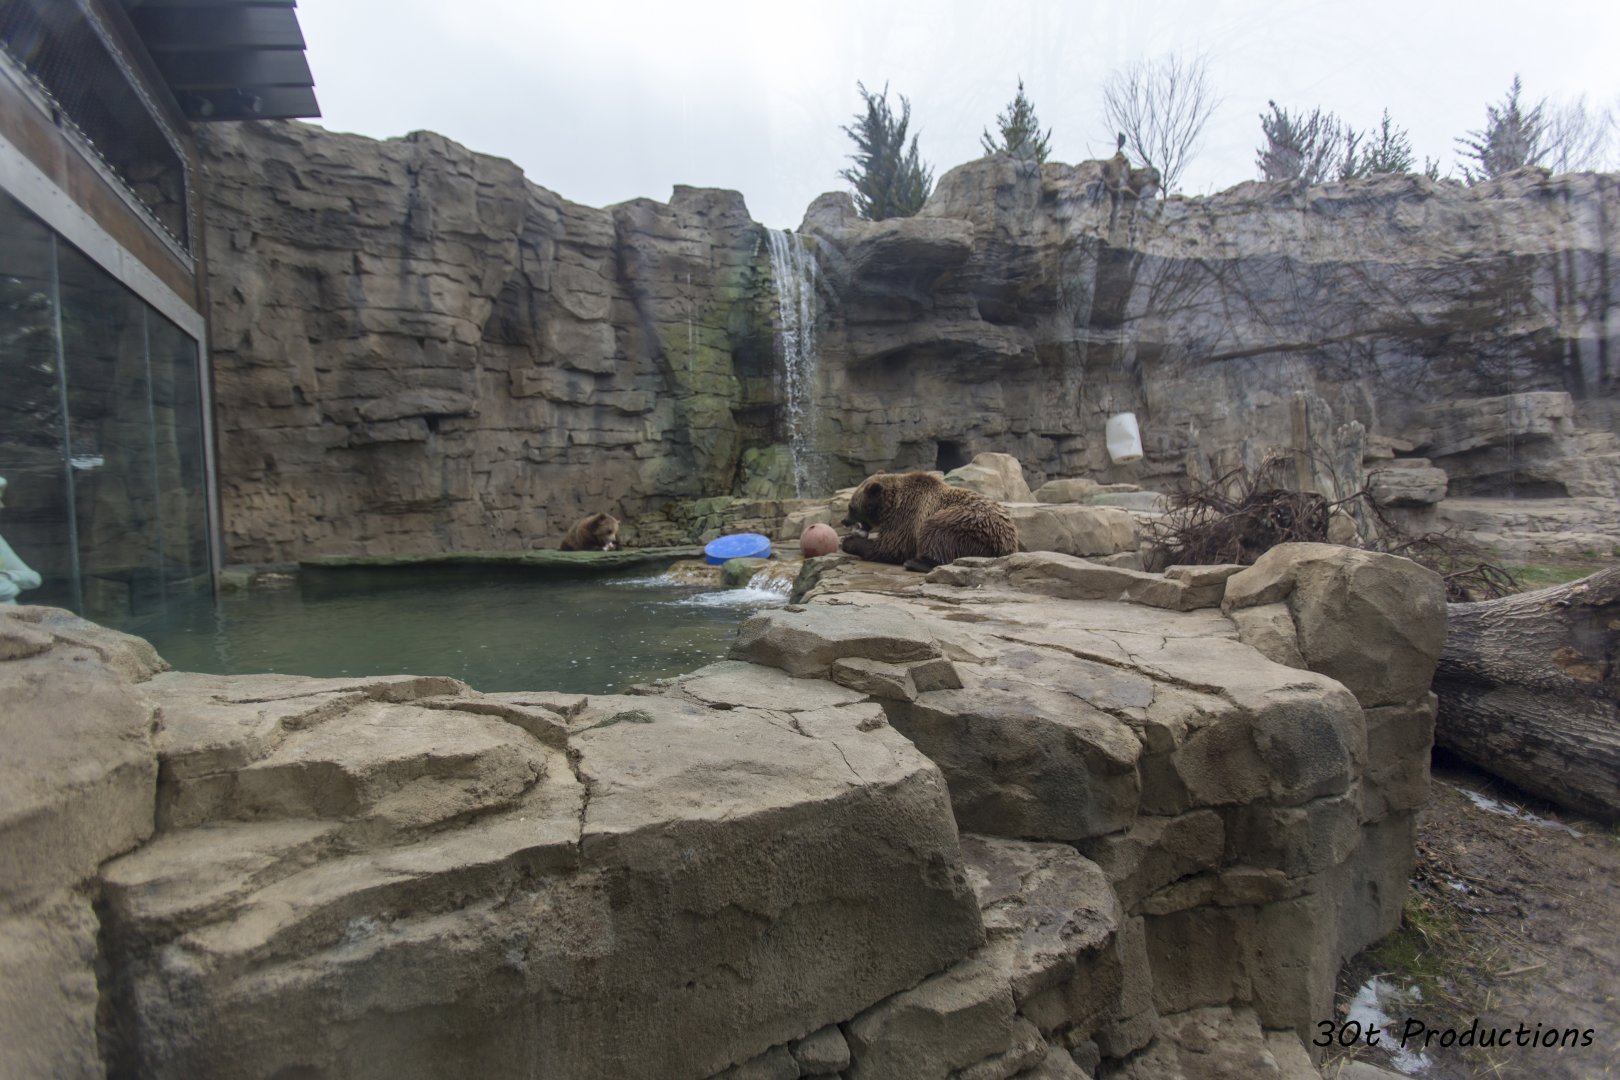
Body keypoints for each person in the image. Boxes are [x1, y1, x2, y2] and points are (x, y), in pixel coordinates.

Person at [0, 476, 43, 604]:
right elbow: (5, 590)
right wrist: (10, 586)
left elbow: (34, 579)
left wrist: (8, 576)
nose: (2, 506)